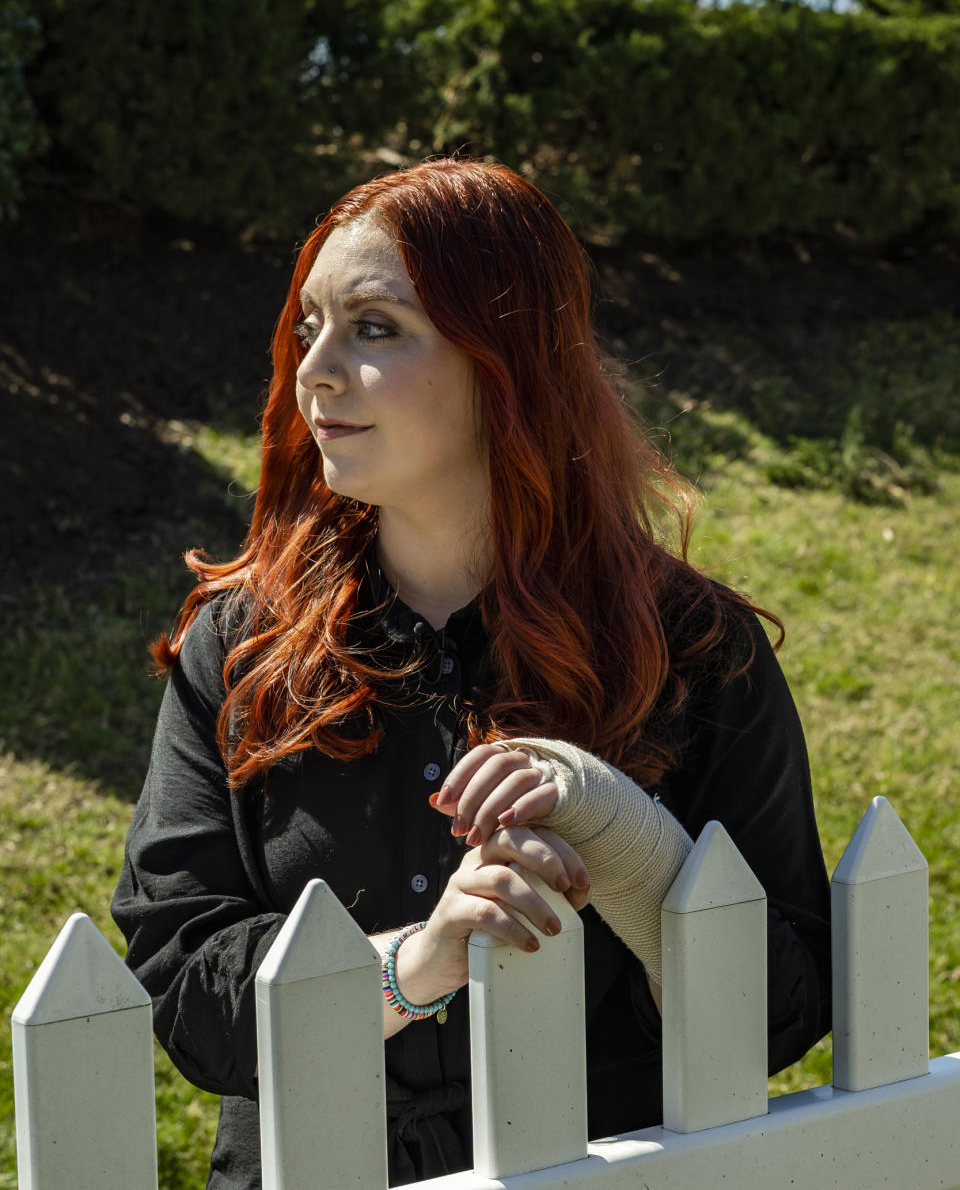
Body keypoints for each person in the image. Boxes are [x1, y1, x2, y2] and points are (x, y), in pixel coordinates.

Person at [112, 158, 831, 1190]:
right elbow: (181, 982)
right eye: (310, 324)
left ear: (507, 362)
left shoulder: (695, 649)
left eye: (374, 328)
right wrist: (417, 966)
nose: (313, 369)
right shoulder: (240, 646)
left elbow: (781, 1017)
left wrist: (625, 838)